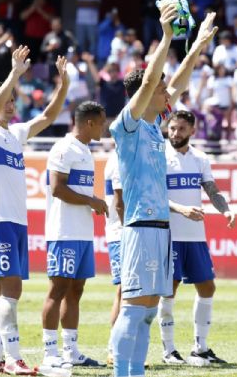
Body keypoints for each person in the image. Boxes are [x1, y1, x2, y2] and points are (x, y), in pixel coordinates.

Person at [108, 3, 217, 377]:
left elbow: (177, 82)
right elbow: (156, 79)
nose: (167, 95)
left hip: (161, 228)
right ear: (143, 93)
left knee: (150, 310)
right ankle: (122, 372)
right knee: (134, 308)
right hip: (139, 228)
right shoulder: (129, 125)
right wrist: (167, 35)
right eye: (158, 89)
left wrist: (198, 44)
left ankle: (134, 371)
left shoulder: (155, 128)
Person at [0, 49, 69, 375]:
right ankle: (13, 358)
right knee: (12, 288)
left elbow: (48, 116)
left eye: (14, 100)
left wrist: (65, 84)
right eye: (6, 100)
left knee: (2, 289)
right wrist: (14, 73)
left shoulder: (15, 134)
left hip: (16, 220)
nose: (12, 104)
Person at [157, 110, 235, 366]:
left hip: (195, 236)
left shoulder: (200, 158)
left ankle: (200, 348)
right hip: (170, 235)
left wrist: (225, 209)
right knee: (169, 290)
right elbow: (154, 195)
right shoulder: (159, 156)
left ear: (192, 130)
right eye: (172, 128)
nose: (175, 133)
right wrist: (180, 209)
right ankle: (169, 350)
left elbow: (211, 189)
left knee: (207, 287)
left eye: (181, 129)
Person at [41, 101, 107, 368]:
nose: (105, 127)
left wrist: (90, 202)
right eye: (102, 122)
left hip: (82, 232)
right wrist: (92, 200)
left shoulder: (85, 151)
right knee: (58, 289)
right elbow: (57, 188)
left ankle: (71, 351)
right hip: (63, 231)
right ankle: (49, 353)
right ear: (89, 123)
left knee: (76, 290)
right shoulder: (63, 148)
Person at [102, 150, 123, 364]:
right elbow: (119, 202)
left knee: (129, 290)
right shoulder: (119, 159)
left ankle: (120, 346)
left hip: (128, 231)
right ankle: (115, 348)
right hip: (121, 233)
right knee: (126, 290)